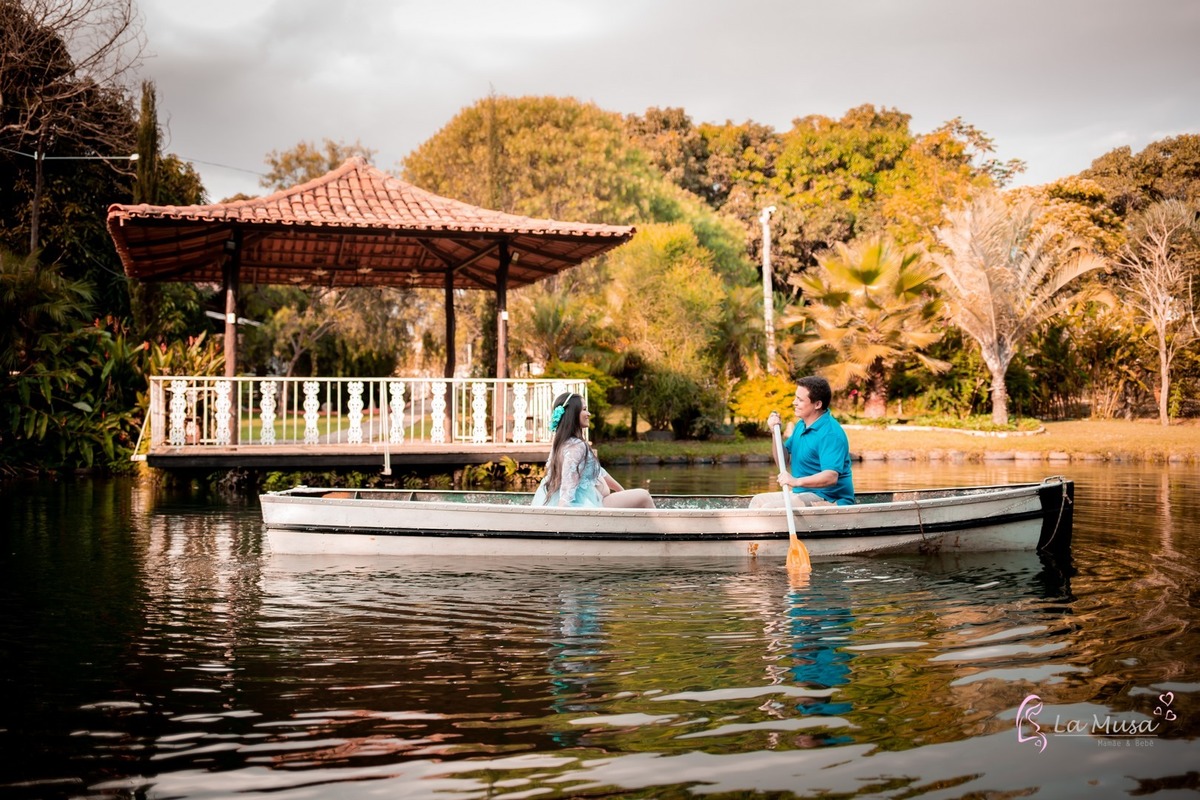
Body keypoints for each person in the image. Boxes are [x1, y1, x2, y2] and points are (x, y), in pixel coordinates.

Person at [532, 392, 656, 509]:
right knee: (644, 495)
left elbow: (599, 471)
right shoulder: (577, 446)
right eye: (584, 409)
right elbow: (568, 482)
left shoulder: (561, 442)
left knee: (635, 497)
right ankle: (659, 529)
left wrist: (621, 490)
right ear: (573, 414)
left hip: (596, 500)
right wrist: (562, 508)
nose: (589, 413)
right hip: (590, 505)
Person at [750, 375, 855, 508]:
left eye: (799, 400)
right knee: (757, 501)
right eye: (795, 397)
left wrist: (796, 481)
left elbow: (831, 477)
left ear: (817, 404)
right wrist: (774, 433)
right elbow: (783, 461)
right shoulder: (801, 425)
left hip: (829, 498)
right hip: (802, 492)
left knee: (769, 509)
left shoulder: (831, 434)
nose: (794, 402)